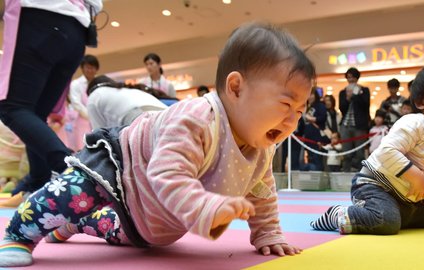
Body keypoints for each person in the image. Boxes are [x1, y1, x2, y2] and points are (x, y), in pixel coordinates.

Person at [0, 22, 316, 267]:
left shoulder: (262, 149)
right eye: (286, 105)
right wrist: (207, 207)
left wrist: (268, 232)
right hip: (121, 169)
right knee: (74, 194)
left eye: (300, 111)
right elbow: (167, 173)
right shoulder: (197, 120)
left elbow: (262, 193)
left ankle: (75, 225)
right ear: (235, 87)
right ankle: (18, 233)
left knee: (112, 228)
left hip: (150, 225)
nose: (293, 120)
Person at [310, 63, 424, 235]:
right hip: (376, 184)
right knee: (386, 221)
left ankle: (394, 213)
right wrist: (415, 175)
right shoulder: (415, 123)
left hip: (405, 197)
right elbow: (387, 152)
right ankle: (340, 214)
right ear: (421, 101)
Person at [0, 1, 103, 197]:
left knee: (12, 107)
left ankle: (73, 171)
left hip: (38, 18)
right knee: (35, 114)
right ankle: (38, 182)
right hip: (77, 32)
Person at [86, 76, 168, 129]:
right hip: (168, 114)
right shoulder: (128, 90)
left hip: (141, 118)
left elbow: (99, 135)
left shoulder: (94, 96)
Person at [338, 68, 370, 172]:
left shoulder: (364, 90)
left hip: (359, 126)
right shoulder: (343, 92)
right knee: (346, 152)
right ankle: (345, 173)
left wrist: (355, 95)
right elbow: (342, 108)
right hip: (345, 125)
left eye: (352, 77)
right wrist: (347, 98)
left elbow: (365, 105)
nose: (350, 79)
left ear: (357, 78)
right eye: (348, 77)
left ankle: (361, 175)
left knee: (360, 153)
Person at [68, 55, 99, 151]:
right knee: (83, 148)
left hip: (98, 120)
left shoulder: (99, 82)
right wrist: (91, 116)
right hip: (82, 121)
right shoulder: (76, 84)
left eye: (93, 67)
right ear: (82, 68)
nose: (90, 70)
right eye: (88, 67)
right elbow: (76, 103)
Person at [301, 88, 327, 171]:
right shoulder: (308, 107)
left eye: (311, 94)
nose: (310, 97)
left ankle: (318, 175)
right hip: (308, 137)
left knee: (317, 157)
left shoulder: (320, 105)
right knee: (310, 157)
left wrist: (312, 119)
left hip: (317, 137)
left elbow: (323, 118)